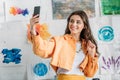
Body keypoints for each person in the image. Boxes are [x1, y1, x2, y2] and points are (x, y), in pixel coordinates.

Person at [29, 10, 99, 80]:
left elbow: (90, 73)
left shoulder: (88, 45)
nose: (74, 24)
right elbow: (41, 49)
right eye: (71, 21)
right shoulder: (59, 41)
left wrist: (91, 54)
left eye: (78, 22)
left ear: (84, 26)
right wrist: (32, 29)